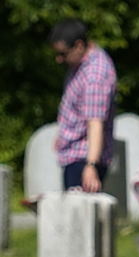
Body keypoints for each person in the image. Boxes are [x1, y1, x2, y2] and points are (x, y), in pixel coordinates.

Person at [48, 18, 116, 194]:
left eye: (63, 54)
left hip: (84, 159)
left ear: (79, 46)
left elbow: (95, 123)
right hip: (74, 154)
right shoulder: (80, 64)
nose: (59, 59)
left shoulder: (94, 76)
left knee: (78, 218)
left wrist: (91, 166)